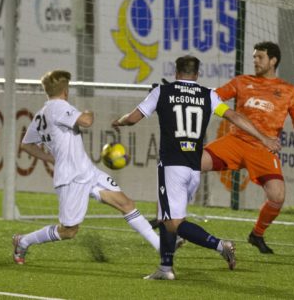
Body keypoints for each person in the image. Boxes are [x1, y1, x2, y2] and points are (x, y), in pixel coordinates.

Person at [112, 55, 280, 280]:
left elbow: (133, 119)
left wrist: (119, 121)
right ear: (197, 74)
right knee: (166, 217)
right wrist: (264, 139)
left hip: (172, 166)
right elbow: (234, 116)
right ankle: (165, 268)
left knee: (175, 222)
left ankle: (221, 246)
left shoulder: (162, 92)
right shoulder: (208, 95)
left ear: (176, 72)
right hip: (194, 168)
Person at [12, 70, 160, 264]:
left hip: (87, 172)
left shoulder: (41, 114)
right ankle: (22, 242)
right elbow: (87, 121)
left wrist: (50, 158)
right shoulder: (58, 107)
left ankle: (161, 246)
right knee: (69, 231)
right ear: (65, 91)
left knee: (126, 204)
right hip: (71, 179)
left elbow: (26, 144)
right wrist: (89, 111)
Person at [201, 41, 294, 254]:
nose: (255, 60)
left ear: (273, 61)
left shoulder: (288, 90)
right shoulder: (241, 82)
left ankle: (257, 234)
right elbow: (212, 98)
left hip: (264, 148)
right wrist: (187, 94)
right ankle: (170, 217)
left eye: (260, 57)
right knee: (190, 162)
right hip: (235, 142)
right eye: (254, 57)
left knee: (277, 196)